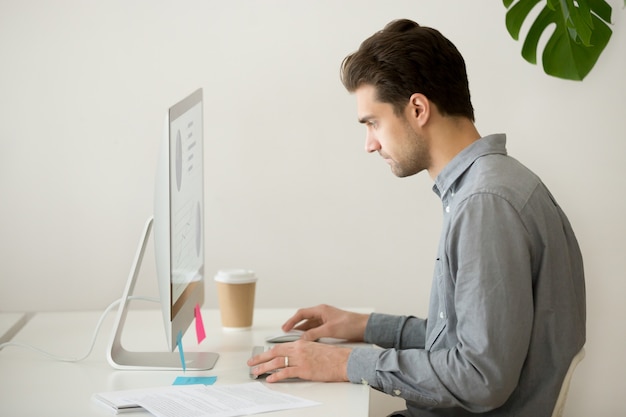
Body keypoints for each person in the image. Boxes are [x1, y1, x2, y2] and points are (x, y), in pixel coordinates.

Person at [248, 19, 586, 416]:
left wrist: (343, 364)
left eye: (373, 123)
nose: (369, 144)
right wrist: (366, 326)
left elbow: (479, 377)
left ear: (418, 109)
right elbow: (465, 343)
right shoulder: (487, 187)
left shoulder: (485, 204)